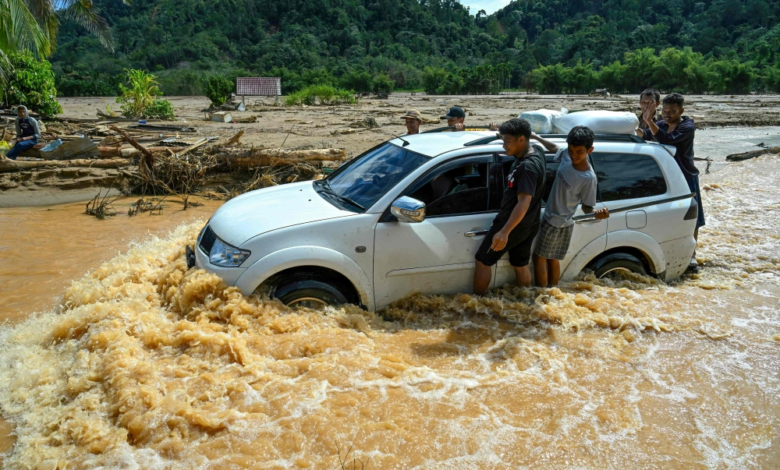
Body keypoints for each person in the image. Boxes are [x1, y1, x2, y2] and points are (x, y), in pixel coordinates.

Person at [473, 118, 546, 294]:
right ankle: (524, 300)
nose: (504, 145)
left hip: (513, 223)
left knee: (483, 260)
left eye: (507, 141)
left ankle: (476, 305)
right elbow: (554, 149)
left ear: (522, 139)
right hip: (529, 223)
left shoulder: (527, 167)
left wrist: (504, 231)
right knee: (520, 264)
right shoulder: (537, 151)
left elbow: (524, 202)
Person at [533, 126, 609, 287]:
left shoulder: (588, 178)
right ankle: (552, 292)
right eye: (571, 150)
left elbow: (588, 207)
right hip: (556, 218)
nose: (574, 155)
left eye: (579, 152)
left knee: (539, 257)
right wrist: (536, 137)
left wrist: (597, 213)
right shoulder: (567, 155)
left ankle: (542, 292)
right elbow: (554, 148)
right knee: (552, 258)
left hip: (557, 221)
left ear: (590, 150)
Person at [640, 93, 704, 270]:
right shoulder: (662, 124)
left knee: (693, 218)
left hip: (685, 177)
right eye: (665, 111)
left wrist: (650, 121)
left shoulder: (687, 127)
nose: (667, 114)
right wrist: (637, 128)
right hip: (666, 177)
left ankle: (692, 256)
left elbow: (666, 139)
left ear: (681, 110)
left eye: (672, 111)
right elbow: (646, 134)